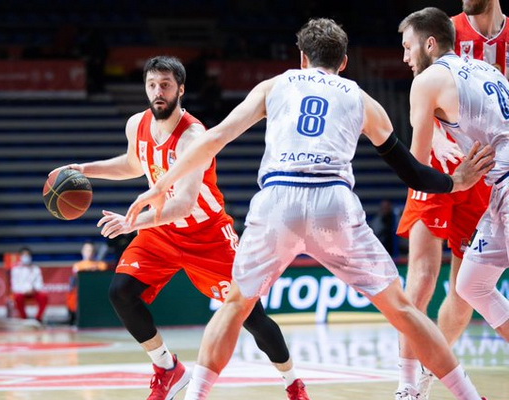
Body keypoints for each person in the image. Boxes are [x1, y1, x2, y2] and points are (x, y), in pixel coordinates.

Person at [125, 18, 493, 400]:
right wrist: (455, 181)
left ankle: (195, 396)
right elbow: (412, 172)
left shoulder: (274, 85)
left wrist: (161, 185)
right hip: (333, 202)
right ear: (344, 62)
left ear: (302, 57)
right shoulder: (362, 99)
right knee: (402, 308)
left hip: (278, 200)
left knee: (235, 306)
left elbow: (214, 139)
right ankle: (468, 396)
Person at [50, 56, 307, 400]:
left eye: (166, 85)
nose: (158, 92)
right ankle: (167, 368)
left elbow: (184, 203)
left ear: (180, 90)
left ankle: (293, 383)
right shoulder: (137, 124)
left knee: (250, 315)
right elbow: (133, 164)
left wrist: (132, 222)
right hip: (161, 232)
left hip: (207, 235)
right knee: (121, 292)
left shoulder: (193, 136)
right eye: (152, 85)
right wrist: (85, 169)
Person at [395, 1, 508, 398]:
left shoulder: (427, 81)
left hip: (485, 180)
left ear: (429, 44)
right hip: (492, 184)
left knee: (461, 288)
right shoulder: (484, 69)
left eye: (407, 48)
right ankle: (411, 382)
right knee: (471, 284)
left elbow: (415, 167)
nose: (404, 58)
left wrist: (456, 181)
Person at [67, 242, 109, 325]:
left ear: (94, 252)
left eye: (90, 250)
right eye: (86, 250)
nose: (88, 252)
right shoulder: (78, 265)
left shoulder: (101, 265)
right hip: (82, 293)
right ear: (82, 252)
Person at [10, 247, 48, 323]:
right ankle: (24, 318)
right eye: (24, 255)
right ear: (20, 256)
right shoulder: (16, 269)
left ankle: (38, 318)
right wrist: (25, 291)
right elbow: (15, 285)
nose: (26, 257)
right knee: (18, 297)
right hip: (21, 292)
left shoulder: (36, 269)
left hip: (34, 291)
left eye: (27, 255)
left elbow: (39, 283)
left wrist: (33, 289)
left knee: (44, 296)